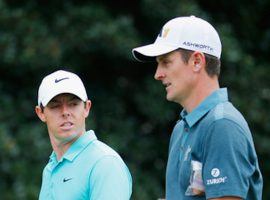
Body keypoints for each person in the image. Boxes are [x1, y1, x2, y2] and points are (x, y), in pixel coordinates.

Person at [132, 16, 263, 200]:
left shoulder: (222, 125)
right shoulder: (181, 128)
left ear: (197, 61)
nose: (158, 74)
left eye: (166, 62)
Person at [35, 70, 132, 200]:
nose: (65, 112)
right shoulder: (50, 168)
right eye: (55, 105)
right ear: (40, 113)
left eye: (73, 104)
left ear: (87, 107)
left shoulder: (105, 163)